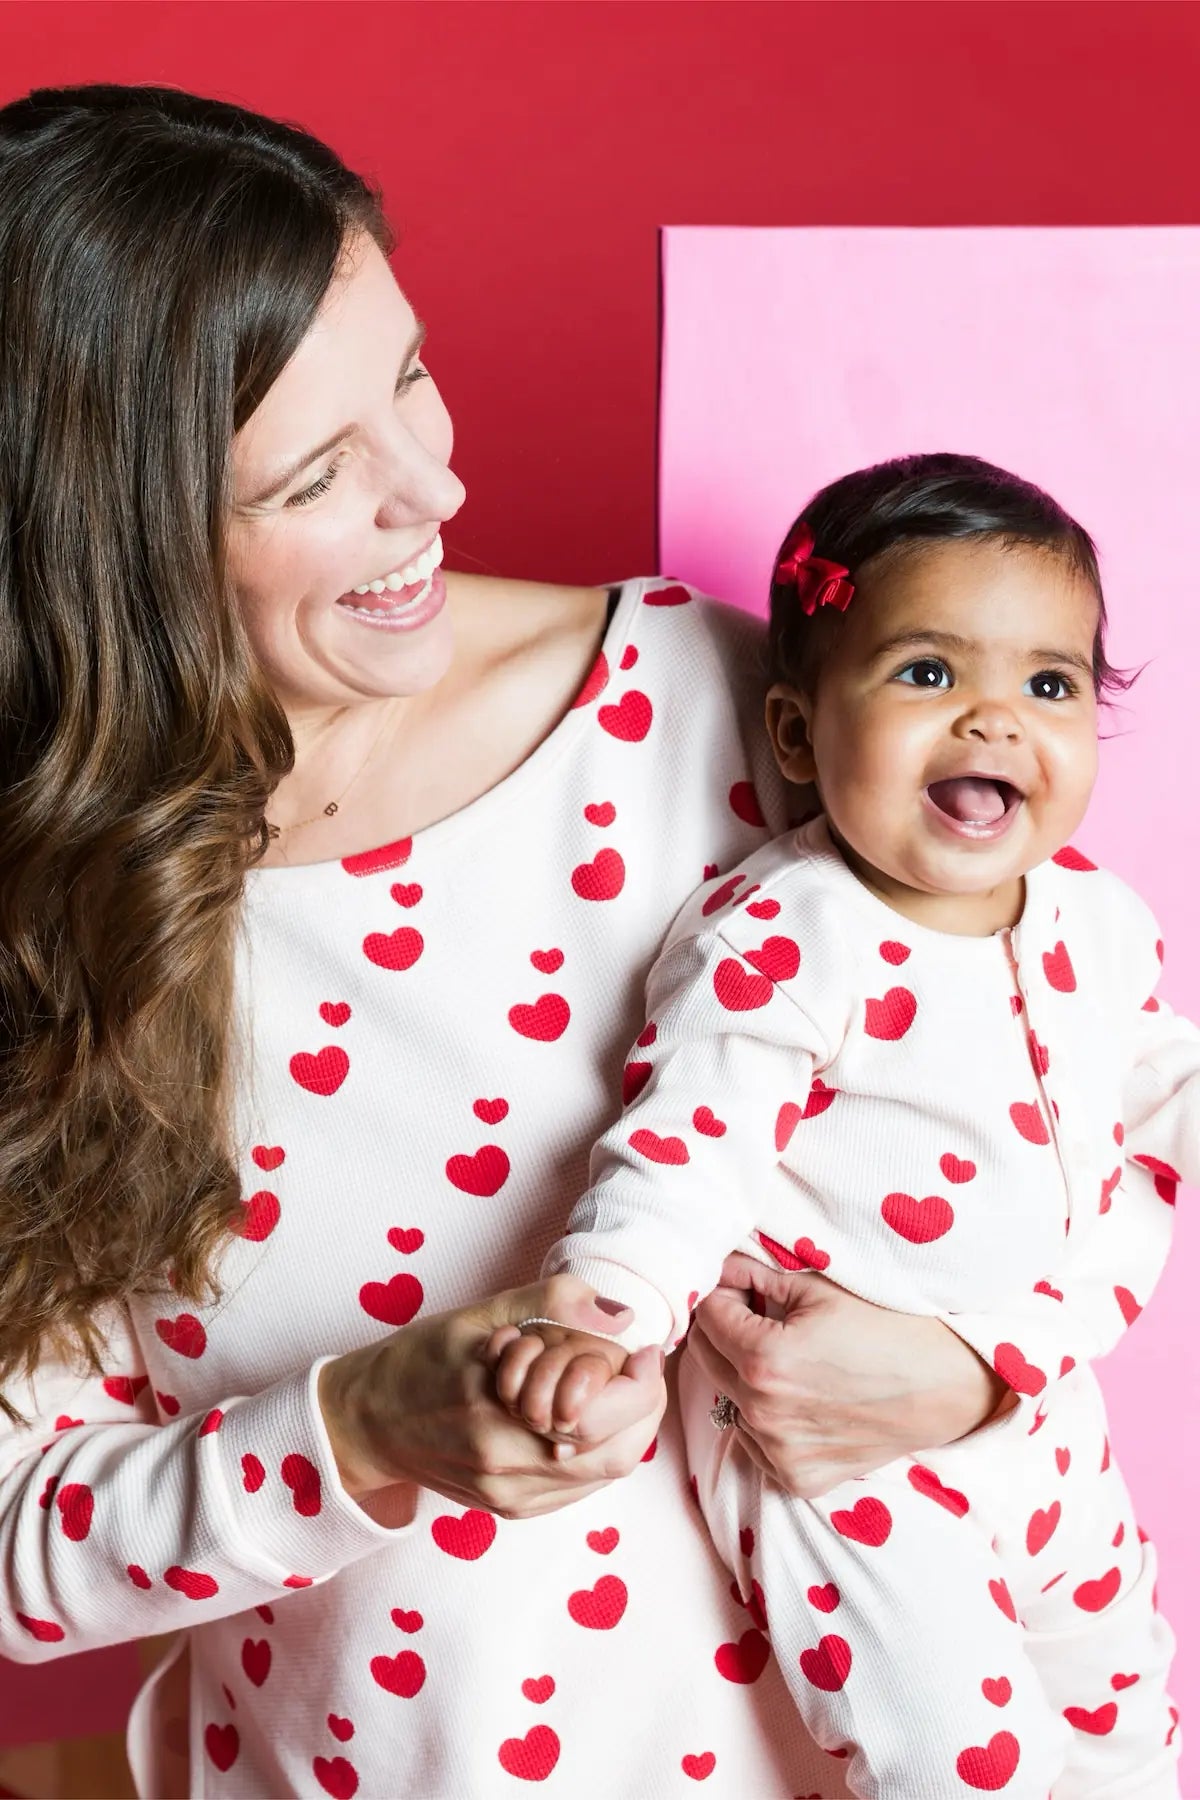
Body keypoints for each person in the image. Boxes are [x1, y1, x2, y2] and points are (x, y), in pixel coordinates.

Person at [0, 85, 1090, 1800]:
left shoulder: (750, 717)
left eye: (412, 377)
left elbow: (1075, 1117)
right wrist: (357, 1434)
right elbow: (16, 1545)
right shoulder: (53, 921)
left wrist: (971, 1374)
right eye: (315, 472)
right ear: (109, 545)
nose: (437, 486)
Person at [488, 454, 1185, 1798]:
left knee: (1121, 1707)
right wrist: (601, 1314)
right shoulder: (789, 934)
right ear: (801, 737)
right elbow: (682, 1151)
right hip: (839, 1456)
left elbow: (1147, 1060)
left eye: (1049, 685)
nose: (994, 720)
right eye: (928, 674)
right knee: (956, 1762)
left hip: (1040, 1411)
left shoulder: (1094, 912)